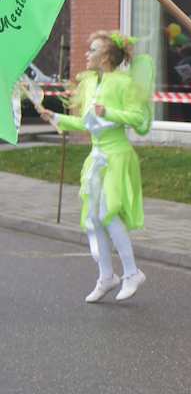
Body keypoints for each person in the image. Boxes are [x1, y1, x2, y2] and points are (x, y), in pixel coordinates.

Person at [37, 32, 151, 303]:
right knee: (95, 218)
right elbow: (86, 123)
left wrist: (108, 112)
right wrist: (57, 117)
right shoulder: (91, 83)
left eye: (93, 50)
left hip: (117, 156)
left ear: (107, 57)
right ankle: (106, 276)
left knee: (107, 214)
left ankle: (132, 272)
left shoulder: (123, 83)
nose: (87, 54)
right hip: (97, 156)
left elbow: (138, 118)